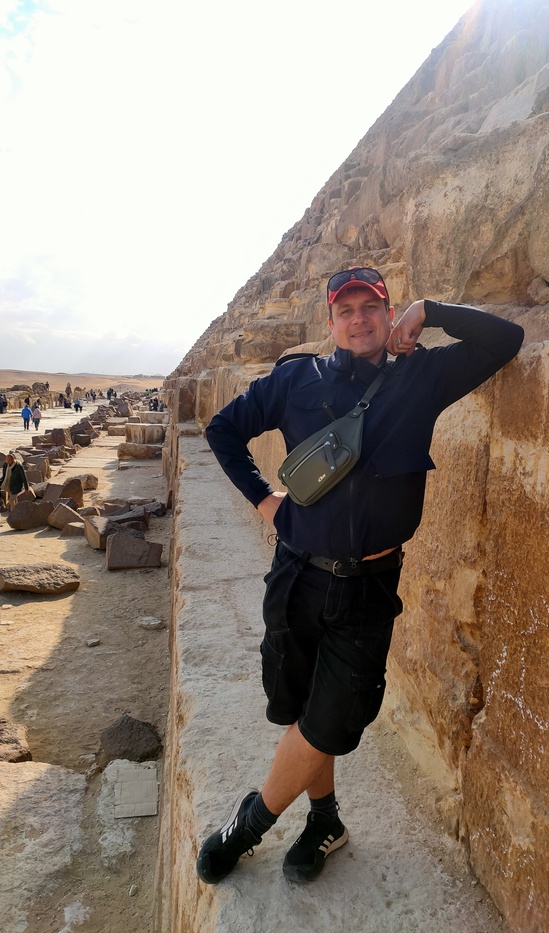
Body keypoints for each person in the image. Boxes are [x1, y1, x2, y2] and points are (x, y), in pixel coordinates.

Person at [197, 266, 524, 886]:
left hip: (369, 588)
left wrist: (431, 309)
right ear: (330, 322)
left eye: (370, 307)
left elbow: (505, 339)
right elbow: (223, 429)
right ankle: (325, 821)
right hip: (295, 576)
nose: (358, 319)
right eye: (345, 310)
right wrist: (266, 501)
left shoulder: (421, 377)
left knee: (330, 720)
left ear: (388, 313)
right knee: (300, 709)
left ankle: (249, 825)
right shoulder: (297, 378)